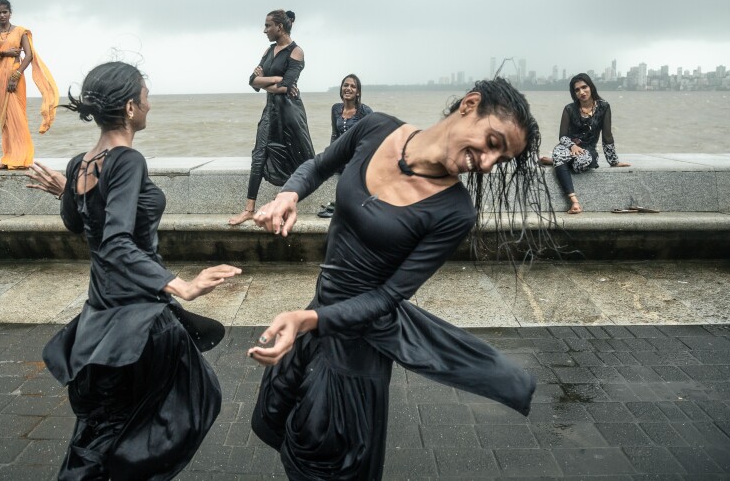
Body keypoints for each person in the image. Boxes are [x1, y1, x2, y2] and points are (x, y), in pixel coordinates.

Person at [247, 78, 549, 480]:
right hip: (317, 315)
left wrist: (309, 321)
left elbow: (389, 297)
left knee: (329, 461)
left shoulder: (455, 212)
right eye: (493, 142)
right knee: (281, 419)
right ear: (470, 104)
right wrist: (289, 194)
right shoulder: (377, 128)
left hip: (358, 343)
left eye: (502, 158)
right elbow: (319, 165)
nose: (490, 163)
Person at [26, 62, 241, 480]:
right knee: (188, 403)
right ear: (129, 107)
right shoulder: (126, 160)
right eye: (145, 97)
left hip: (101, 315)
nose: (148, 104)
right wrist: (184, 285)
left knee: (106, 428)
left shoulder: (81, 163)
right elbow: (117, 242)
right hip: (138, 317)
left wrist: (68, 188)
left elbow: (77, 223)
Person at [228, 9, 315, 225]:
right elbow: (252, 80)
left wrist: (267, 80)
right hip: (270, 111)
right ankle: (249, 209)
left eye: (268, 26)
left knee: (294, 157)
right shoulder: (268, 50)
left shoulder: (296, 51)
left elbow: (286, 87)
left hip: (290, 113)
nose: (264, 30)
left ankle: (285, 204)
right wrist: (275, 79)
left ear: (280, 27)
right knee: (258, 155)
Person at [0, 0, 59, 170]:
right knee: (5, 118)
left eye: (5, 12)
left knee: (17, 116)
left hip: (15, 74)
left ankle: (22, 157)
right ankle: (7, 157)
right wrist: (4, 52)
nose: (2, 15)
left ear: (10, 12)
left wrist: (16, 75)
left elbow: (29, 55)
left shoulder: (21, 31)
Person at [539, 73, 630, 214]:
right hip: (568, 147)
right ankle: (574, 202)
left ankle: (556, 161)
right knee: (559, 152)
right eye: (577, 90)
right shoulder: (569, 109)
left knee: (581, 163)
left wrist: (614, 162)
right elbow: (562, 136)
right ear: (574, 93)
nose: (582, 92)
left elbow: (607, 135)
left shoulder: (604, 107)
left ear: (591, 87)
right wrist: (572, 146)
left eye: (584, 87)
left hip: (588, 150)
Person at [317, 73, 373, 218]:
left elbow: (371, 137)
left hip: (358, 156)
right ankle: (339, 206)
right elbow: (335, 134)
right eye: (346, 85)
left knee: (349, 169)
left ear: (358, 92)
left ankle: (340, 207)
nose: (348, 88)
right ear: (341, 88)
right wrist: (329, 155)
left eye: (353, 86)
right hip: (341, 155)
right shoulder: (336, 109)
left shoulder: (365, 112)